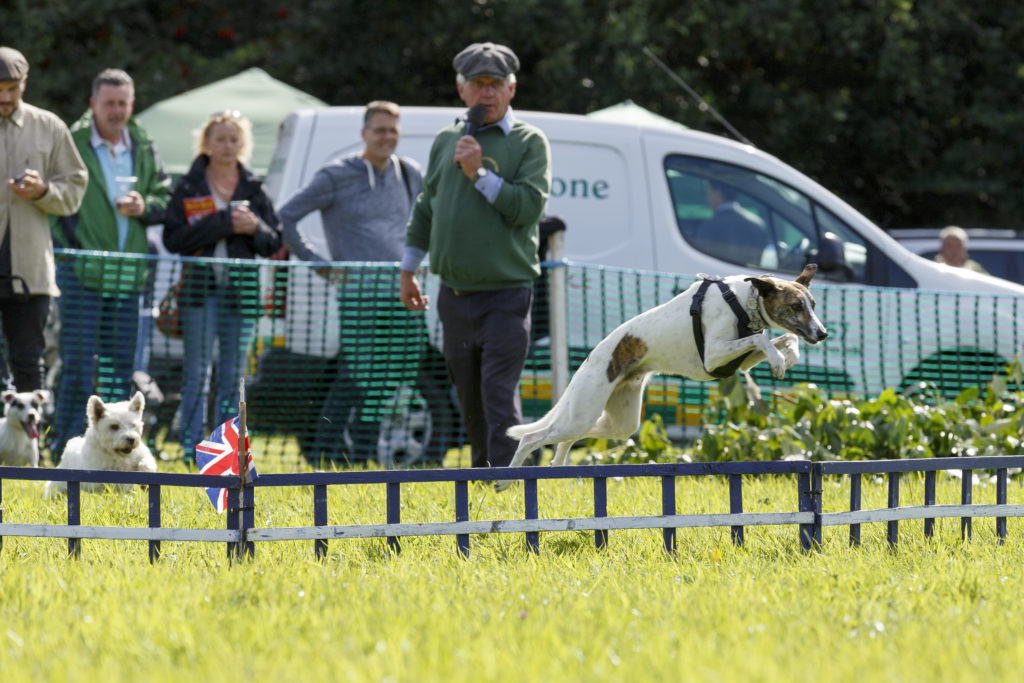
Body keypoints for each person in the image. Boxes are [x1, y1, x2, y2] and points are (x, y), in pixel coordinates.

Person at [400, 42, 552, 469]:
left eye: (495, 84)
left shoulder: (529, 142)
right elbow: (425, 209)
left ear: (512, 89)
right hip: (454, 295)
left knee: (497, 392)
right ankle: (486, 474)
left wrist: (478, 173)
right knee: (467, 395)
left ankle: (510, 479)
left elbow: (528, 209)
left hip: (507, 294)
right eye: (478, 84)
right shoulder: (446, 139)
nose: (487, 93)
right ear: (461, 89)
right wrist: (408, 269)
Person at [279, 101, 428, 461]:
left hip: (402, 296)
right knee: (353, 378)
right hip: (359, 297)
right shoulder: (336, 175)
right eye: (379, 130)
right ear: (364, 134)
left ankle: (363, 459)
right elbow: (286, 216)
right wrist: (321, 265)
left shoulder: (410, 173)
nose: (386, 137)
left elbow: (424, 226)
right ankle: (324, 458)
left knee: (388, 383)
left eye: (393, 130)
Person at [50, 68, 171, 457]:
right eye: (109, 103)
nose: (116, 110)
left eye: (123, 103)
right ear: (93, 105)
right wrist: (70, 245)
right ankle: (66, 448)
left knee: (122, 371)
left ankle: (121, 452)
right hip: (81, 272)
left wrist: (146, 205)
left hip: (129, 277)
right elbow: (54, 199)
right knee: (78, 370)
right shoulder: (73, 140)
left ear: (131, 105)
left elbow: (165, 198)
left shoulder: (145, 144)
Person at [163, 111, 282, 463]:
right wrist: (222, 222)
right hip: (199, 295)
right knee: (196, 373)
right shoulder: (188, 186)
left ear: (242, 144)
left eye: (234, 139)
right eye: (220, 139)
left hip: (240, 297)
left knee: (233, 376)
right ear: (207, 143)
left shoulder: (254, 187)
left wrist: (253, 228)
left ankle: (225, 454)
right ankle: (189, 451)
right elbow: (174, 238)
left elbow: (274, 241)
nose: (227, 146)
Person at [0, 46, 87, 394]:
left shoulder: (49, 126)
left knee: (27, 365)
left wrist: (43, 191)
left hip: (30, 271)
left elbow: (76, 186)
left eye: (12, 88)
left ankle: (28, 449)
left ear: (25, 83)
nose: (4, 97)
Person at [691, 179, 770, 267]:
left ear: (717, 193)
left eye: (709, 192)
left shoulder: (708, 227)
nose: (707, 198)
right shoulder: (757, 224)